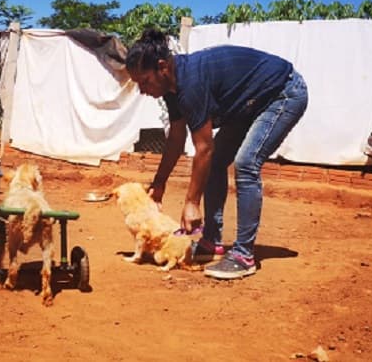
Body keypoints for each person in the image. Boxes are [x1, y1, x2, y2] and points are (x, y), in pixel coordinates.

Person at [125, 29, 308, 280]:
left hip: (282, 92)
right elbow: (176, 139)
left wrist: (191, 203)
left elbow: (204, 148)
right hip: (247, 104)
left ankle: (244, 255)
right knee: (217, 162)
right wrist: (159, 183)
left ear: (162, 67)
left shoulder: (190, 84)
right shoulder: (171, 90)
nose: (142, 90)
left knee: (246, 163)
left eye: (144, 81)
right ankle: (211, 241)